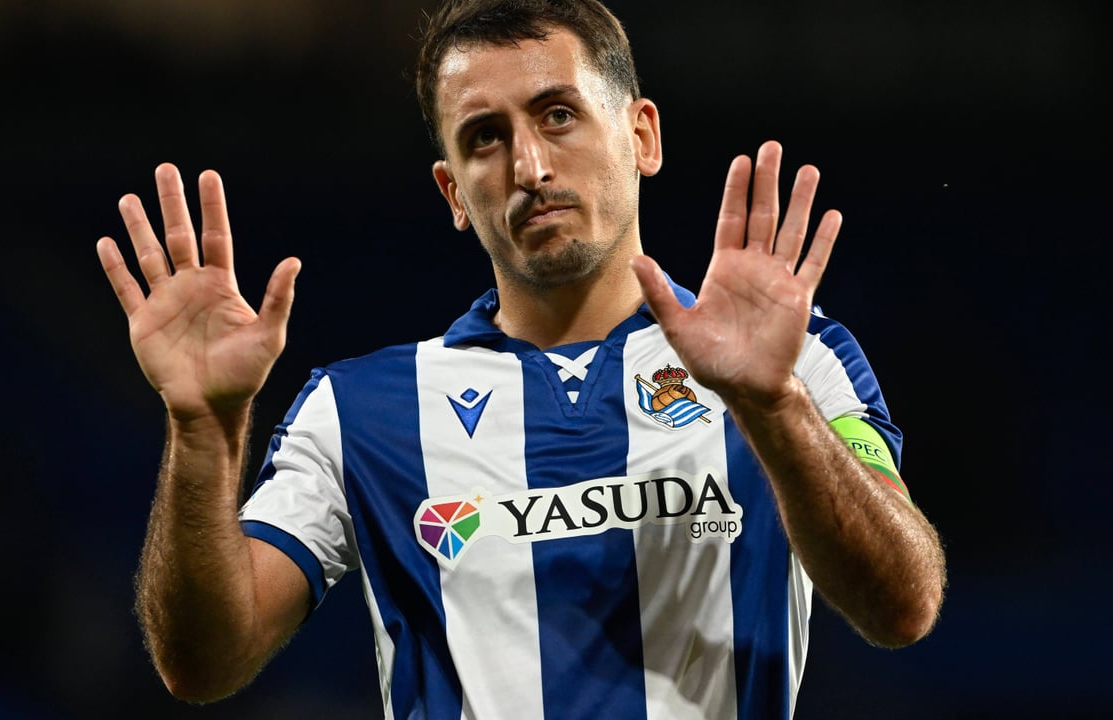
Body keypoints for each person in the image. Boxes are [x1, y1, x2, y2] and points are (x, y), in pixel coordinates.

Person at [95, 1, 946, 717]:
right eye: (485, 138)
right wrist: (201, 430)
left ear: (642, 135)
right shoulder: (361, 412)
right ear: (453, 193)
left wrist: (773, 407)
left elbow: (903, 606)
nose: (531, 166)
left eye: (558, 115)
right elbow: (203, 664)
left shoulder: (796, 362)